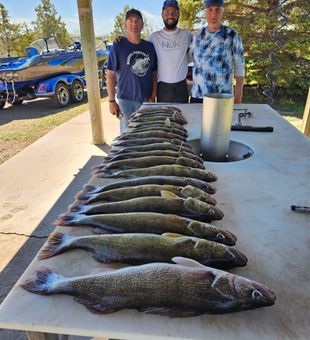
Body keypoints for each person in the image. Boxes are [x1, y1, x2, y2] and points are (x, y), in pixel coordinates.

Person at [107, 9, 157, 133]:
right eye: (130, 21)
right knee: (127, 139)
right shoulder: (118, 46)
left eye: (137, 21)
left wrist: (153, 95)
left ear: (142, 25)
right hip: (126, 103)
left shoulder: (149, 47)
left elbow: (154, 73)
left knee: (146, 136)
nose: (134, 24)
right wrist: (111, 100)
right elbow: (110, 75)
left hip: (146, 101)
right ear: (125, 25)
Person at [190, 0, 245, 104]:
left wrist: (238, 98)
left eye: (217, 10)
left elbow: (240, 68)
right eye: (210, 10)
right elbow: (190, 60)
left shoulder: (232, 35)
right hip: (198, 96)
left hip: (223, 96)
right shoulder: (197, 36)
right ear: (205, 12)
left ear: (222, 12)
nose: (213, 14)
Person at [149, 0, 192, 103]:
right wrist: (124, 39)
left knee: (182, 117)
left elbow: (193, 55)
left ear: (178, 14)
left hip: (181, 86)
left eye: (173, 12)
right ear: (162, 15)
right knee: (164, 117)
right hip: (162, 87)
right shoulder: (154, 37)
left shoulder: (187, 35)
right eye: (167, 12)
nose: (170, 16)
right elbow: (139, 48)